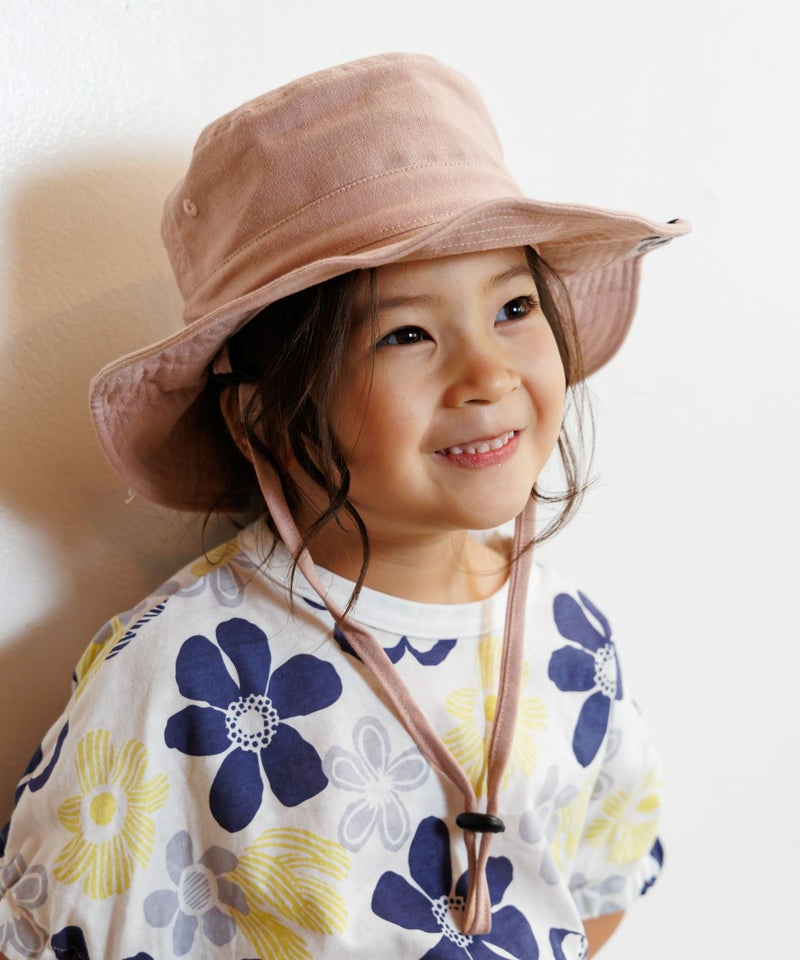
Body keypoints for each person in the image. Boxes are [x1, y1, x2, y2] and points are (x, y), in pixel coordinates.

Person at [0, 54, 688, 960]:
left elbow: (600, 877)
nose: (487, 375)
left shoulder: (568, 636)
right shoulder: (179, 674)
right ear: (261, 412)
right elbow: (52, 928)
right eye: (407, 333)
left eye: (514, 307)